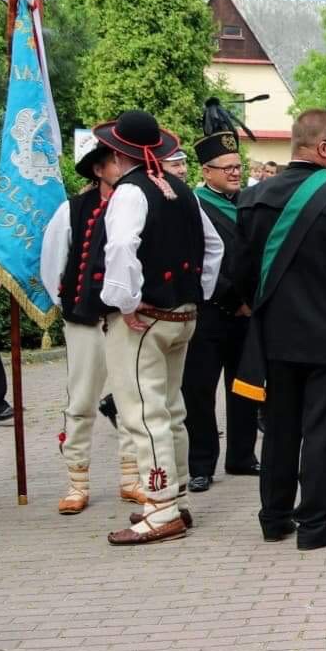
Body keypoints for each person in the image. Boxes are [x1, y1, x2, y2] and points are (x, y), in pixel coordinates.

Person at [234, 107, 326, 550]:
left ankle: (274, 518)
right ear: (322, 148)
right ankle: (315, 524)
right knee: (322, 431)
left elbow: (240, 271)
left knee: (280, 430)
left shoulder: (252, 197)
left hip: (274, 339)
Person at [94, 114, 225, 545]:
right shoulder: (182, 189)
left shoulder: (130, 191)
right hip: (182, 315)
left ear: (118, 153)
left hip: (146, 321)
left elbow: (120, 246)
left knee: (143, 414)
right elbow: (214, 246)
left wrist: (125, 301)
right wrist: (197, 293)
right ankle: (174, 495)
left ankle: (161, 506)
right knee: (170, 408)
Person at [38, 138, 139, 512]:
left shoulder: (140, 205)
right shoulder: (73, 210)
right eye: (116, 160)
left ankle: (131, 478)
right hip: (86, 321)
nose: (124, 167)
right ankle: (76, 482)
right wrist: (73, 306)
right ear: (98, 170)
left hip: (127, 320)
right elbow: (53, 266)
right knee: (81, 400)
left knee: (130, 399)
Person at [181, 114, 257, 493]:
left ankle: (242, 455)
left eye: (238, 166)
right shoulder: (192, 205)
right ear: (206, 171)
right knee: (199, 391)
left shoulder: (250, 202)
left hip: (247, 314)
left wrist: (251, 300)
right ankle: (201, 464)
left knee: (244, 387)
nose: (235, 173)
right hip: (209, 312)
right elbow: (196, 260)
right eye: (227, 168)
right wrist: (232, 298)